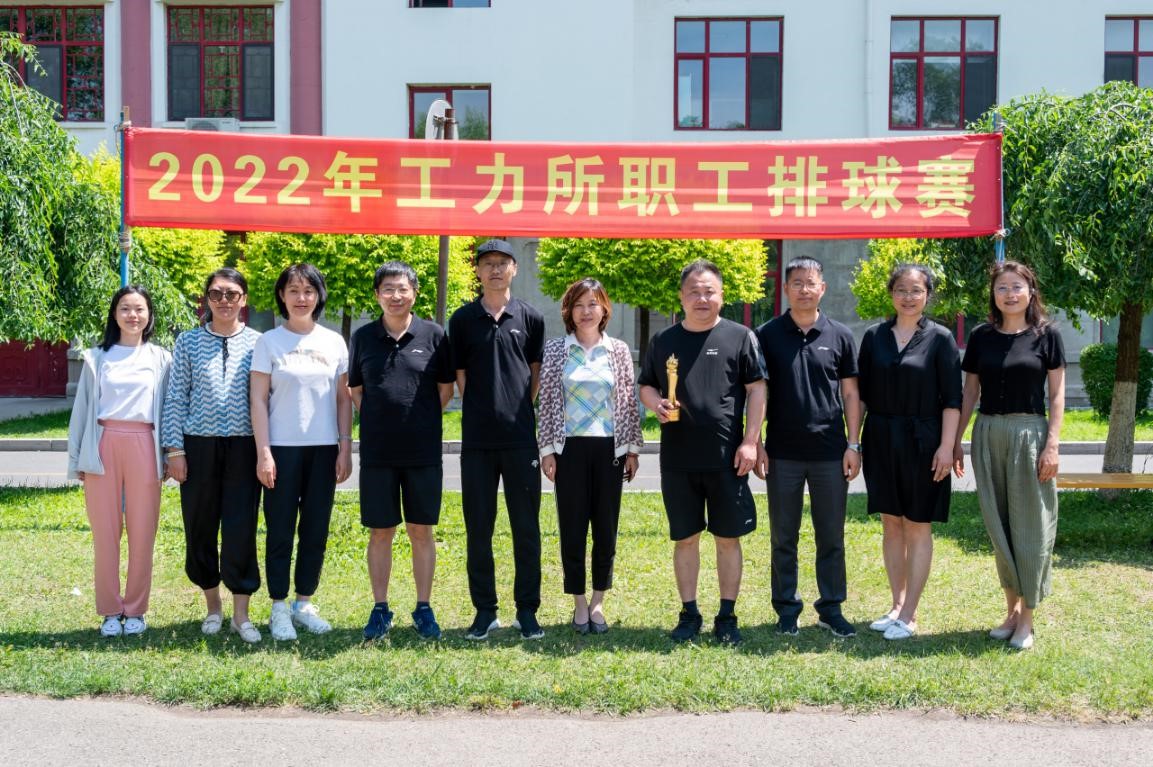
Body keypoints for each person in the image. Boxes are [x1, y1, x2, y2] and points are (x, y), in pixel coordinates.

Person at [638, 260, 765, 645]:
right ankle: (689, 613)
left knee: (728, 538)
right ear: (681, 297)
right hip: (678, 460)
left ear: (722, 295)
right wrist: (656, 403)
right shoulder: (664, 341)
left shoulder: (741, 337)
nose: (702, 298)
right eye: (694, 291)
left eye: (709, 291)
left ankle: (727, 615)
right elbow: (647, 385)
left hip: (728, 459)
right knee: (686, 538)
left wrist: (750, 441)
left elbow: (757, 389)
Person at [954, 260, 1065, 651]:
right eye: (1002, 287)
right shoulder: (981, 337)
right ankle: (1011, 612)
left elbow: (1057, 395)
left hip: (1030, 434)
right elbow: (970, 393)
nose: (1010, 294)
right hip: (988, 433)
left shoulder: (1047, 336)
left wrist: (1052, 444)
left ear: (1030, 292)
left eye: (1017, 286)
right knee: (998, 525)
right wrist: (956, 440)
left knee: (1030, 526)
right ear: (993, 294)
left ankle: (1028, 618)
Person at [754, 257, 861, 639]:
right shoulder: (766, 335)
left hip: (830, 452)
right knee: (783, 537)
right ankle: (786, 609)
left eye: (810, 282)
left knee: (831, 536)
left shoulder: (840, 335)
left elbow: (851, 394)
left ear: (822, 288)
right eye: (796, 283)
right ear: (785, 289)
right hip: (781, 452)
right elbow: (758, 393)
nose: (804, 289)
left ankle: (831, 608)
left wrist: (853, 444)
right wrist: (757, 443)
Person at [349, 261, 454, 641]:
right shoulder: (363, 338)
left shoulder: (434, 335)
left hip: (422, 452)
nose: (395, 296)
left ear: (415, 293)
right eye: (388, 289)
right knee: (381, 531)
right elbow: (356, 390)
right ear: (377, 295)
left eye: (402, 289)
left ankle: (424, 607)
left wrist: (418, 420)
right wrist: (382, 421)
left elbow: (445, 390)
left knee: (421, 530)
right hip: (378, 452)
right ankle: (380, 608)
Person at [857, 264, 962, 641]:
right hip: (881, 437)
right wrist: (853, 442)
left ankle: (910, 614)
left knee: (917, 524)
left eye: (916, 290)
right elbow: (861, 396)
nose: (908, 297)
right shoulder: (874, 337)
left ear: (928, 295)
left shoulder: (941, 339)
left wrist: (947, 447)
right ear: (891, 293)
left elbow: (952, 400)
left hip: (925, 440)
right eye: (901, 289)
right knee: (891, 521)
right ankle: (896, 604)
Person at [448, 239, 546, 640]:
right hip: (477, 442)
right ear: (477, 270)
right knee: (478, 528)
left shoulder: (530, 317)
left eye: (502, 263)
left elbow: (535, 372)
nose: (494, 270)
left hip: (521, 440)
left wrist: (517, 408)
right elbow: (460, 375)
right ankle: (485, 610)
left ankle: (527, 610)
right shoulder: (462, 319)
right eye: (487, 263)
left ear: (514, 269)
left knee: (526, 528)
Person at [250, 263, 352, 641]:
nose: (301, 297)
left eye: (308, 290)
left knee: (315, 528)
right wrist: (264, 452)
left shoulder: (334, 342)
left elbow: (343, 399)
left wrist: (345, 446)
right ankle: (278, 606)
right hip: (281, 449)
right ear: (282, 295)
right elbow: (258, 400)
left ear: (318, 296)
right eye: (293, 290)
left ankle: (303, 602)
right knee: (279, 529)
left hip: (323, 449)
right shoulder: (268, 342)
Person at [161, 268, 263, 644]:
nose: (224, 301)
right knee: (199, 525)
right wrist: (175, 450)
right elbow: (176, 396)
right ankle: (213, 607)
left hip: (244, 446)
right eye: (216, 294)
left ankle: (241, 615)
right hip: (198, 446)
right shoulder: (188, 342)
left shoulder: (258, 343)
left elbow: (265, 399)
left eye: (232, 294)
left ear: (243, 299)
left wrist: (265, 451)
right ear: (206, 299)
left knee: (241, 527)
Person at [538, 278, 642, 634]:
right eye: (579, 305)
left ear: (604, 309)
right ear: (569, 311)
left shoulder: (618, 350)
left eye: (593, 304)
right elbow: (546, 402)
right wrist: (547, 450)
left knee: (605, 528)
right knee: (572, 528)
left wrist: (632, 448)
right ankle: (579, 602)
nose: (586, 311)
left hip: (610, 449)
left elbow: (628, 400)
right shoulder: (557, 350)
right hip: (569, 449)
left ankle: (598, 601)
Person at [68, 286, 172, 637]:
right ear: (114, 314)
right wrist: (77, 458)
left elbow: (168, 410)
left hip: (145, 443)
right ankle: (110, 610)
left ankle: (136, 610)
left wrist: (170, 453)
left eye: (139, 309)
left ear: (149, 315)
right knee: (106, 533)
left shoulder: (161, 358)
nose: (132, 315)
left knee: (143, 531)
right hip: (103, 443)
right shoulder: (97, 357)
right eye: (125, 308)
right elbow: (82, 409)